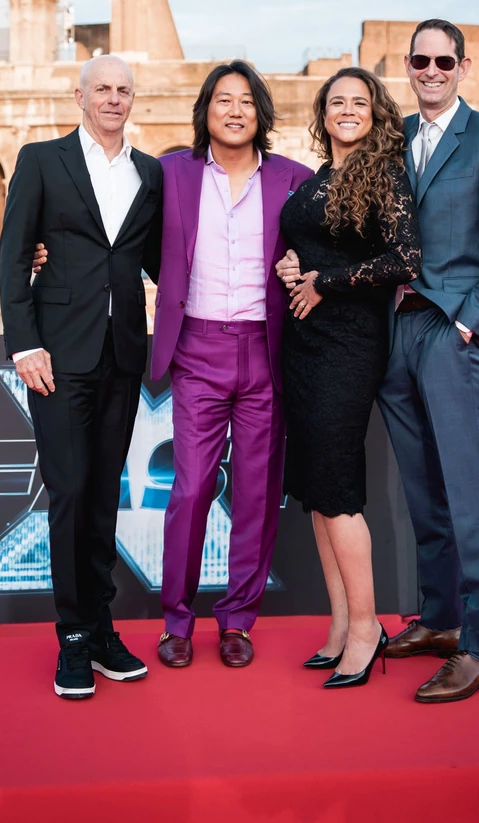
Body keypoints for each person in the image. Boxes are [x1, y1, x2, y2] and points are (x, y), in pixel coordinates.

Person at [375, 19, 479, 703]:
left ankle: (478, 646)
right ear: (408, 65)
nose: (432, 70)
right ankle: (440, 618)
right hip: (396, 333)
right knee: (423, 492)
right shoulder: (394, 141)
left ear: (463, 67)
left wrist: (471, 320)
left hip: (450, 331)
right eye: (421, 59)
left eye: (445, 61)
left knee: (467, 495)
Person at [0, 54, 162, 700]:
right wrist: (25, 345)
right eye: (103, 89)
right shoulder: (42, 160)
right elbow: (15, 254)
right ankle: (70, 636)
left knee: (101, 497)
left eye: (124, 90)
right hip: (58, 357)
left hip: (122, 355)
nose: (114, 99)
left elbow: (159, 259)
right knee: (69, 494)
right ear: (80, 95)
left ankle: (100, 629)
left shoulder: (149, 172)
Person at [151, 61, 313, 668]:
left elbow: (326, 250)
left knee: (256, 493)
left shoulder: (295, 179)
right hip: (196, 349)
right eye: (224, 99)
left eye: (247, 100)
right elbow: (126, 239)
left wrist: (304, 269)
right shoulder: (170, 172)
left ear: (260, 113)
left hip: (267, 351)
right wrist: (46, 253)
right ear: (207, 110)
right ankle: (176, 620)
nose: (236, 110)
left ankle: (238, 620)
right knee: (192, 487)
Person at [278, 67, 421, 689]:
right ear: (323, 112)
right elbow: (312, 247)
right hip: (303, 343)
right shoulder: (317, 179)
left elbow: (405, 259)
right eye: (336, 101)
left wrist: (324, 282)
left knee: (337, 489)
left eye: (358, 102)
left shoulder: (383, 173)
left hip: (348, 344)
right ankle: (340, 624)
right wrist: (292, 266)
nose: (346, 110)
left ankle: (368, 627)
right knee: (316, 490)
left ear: (375, 112)